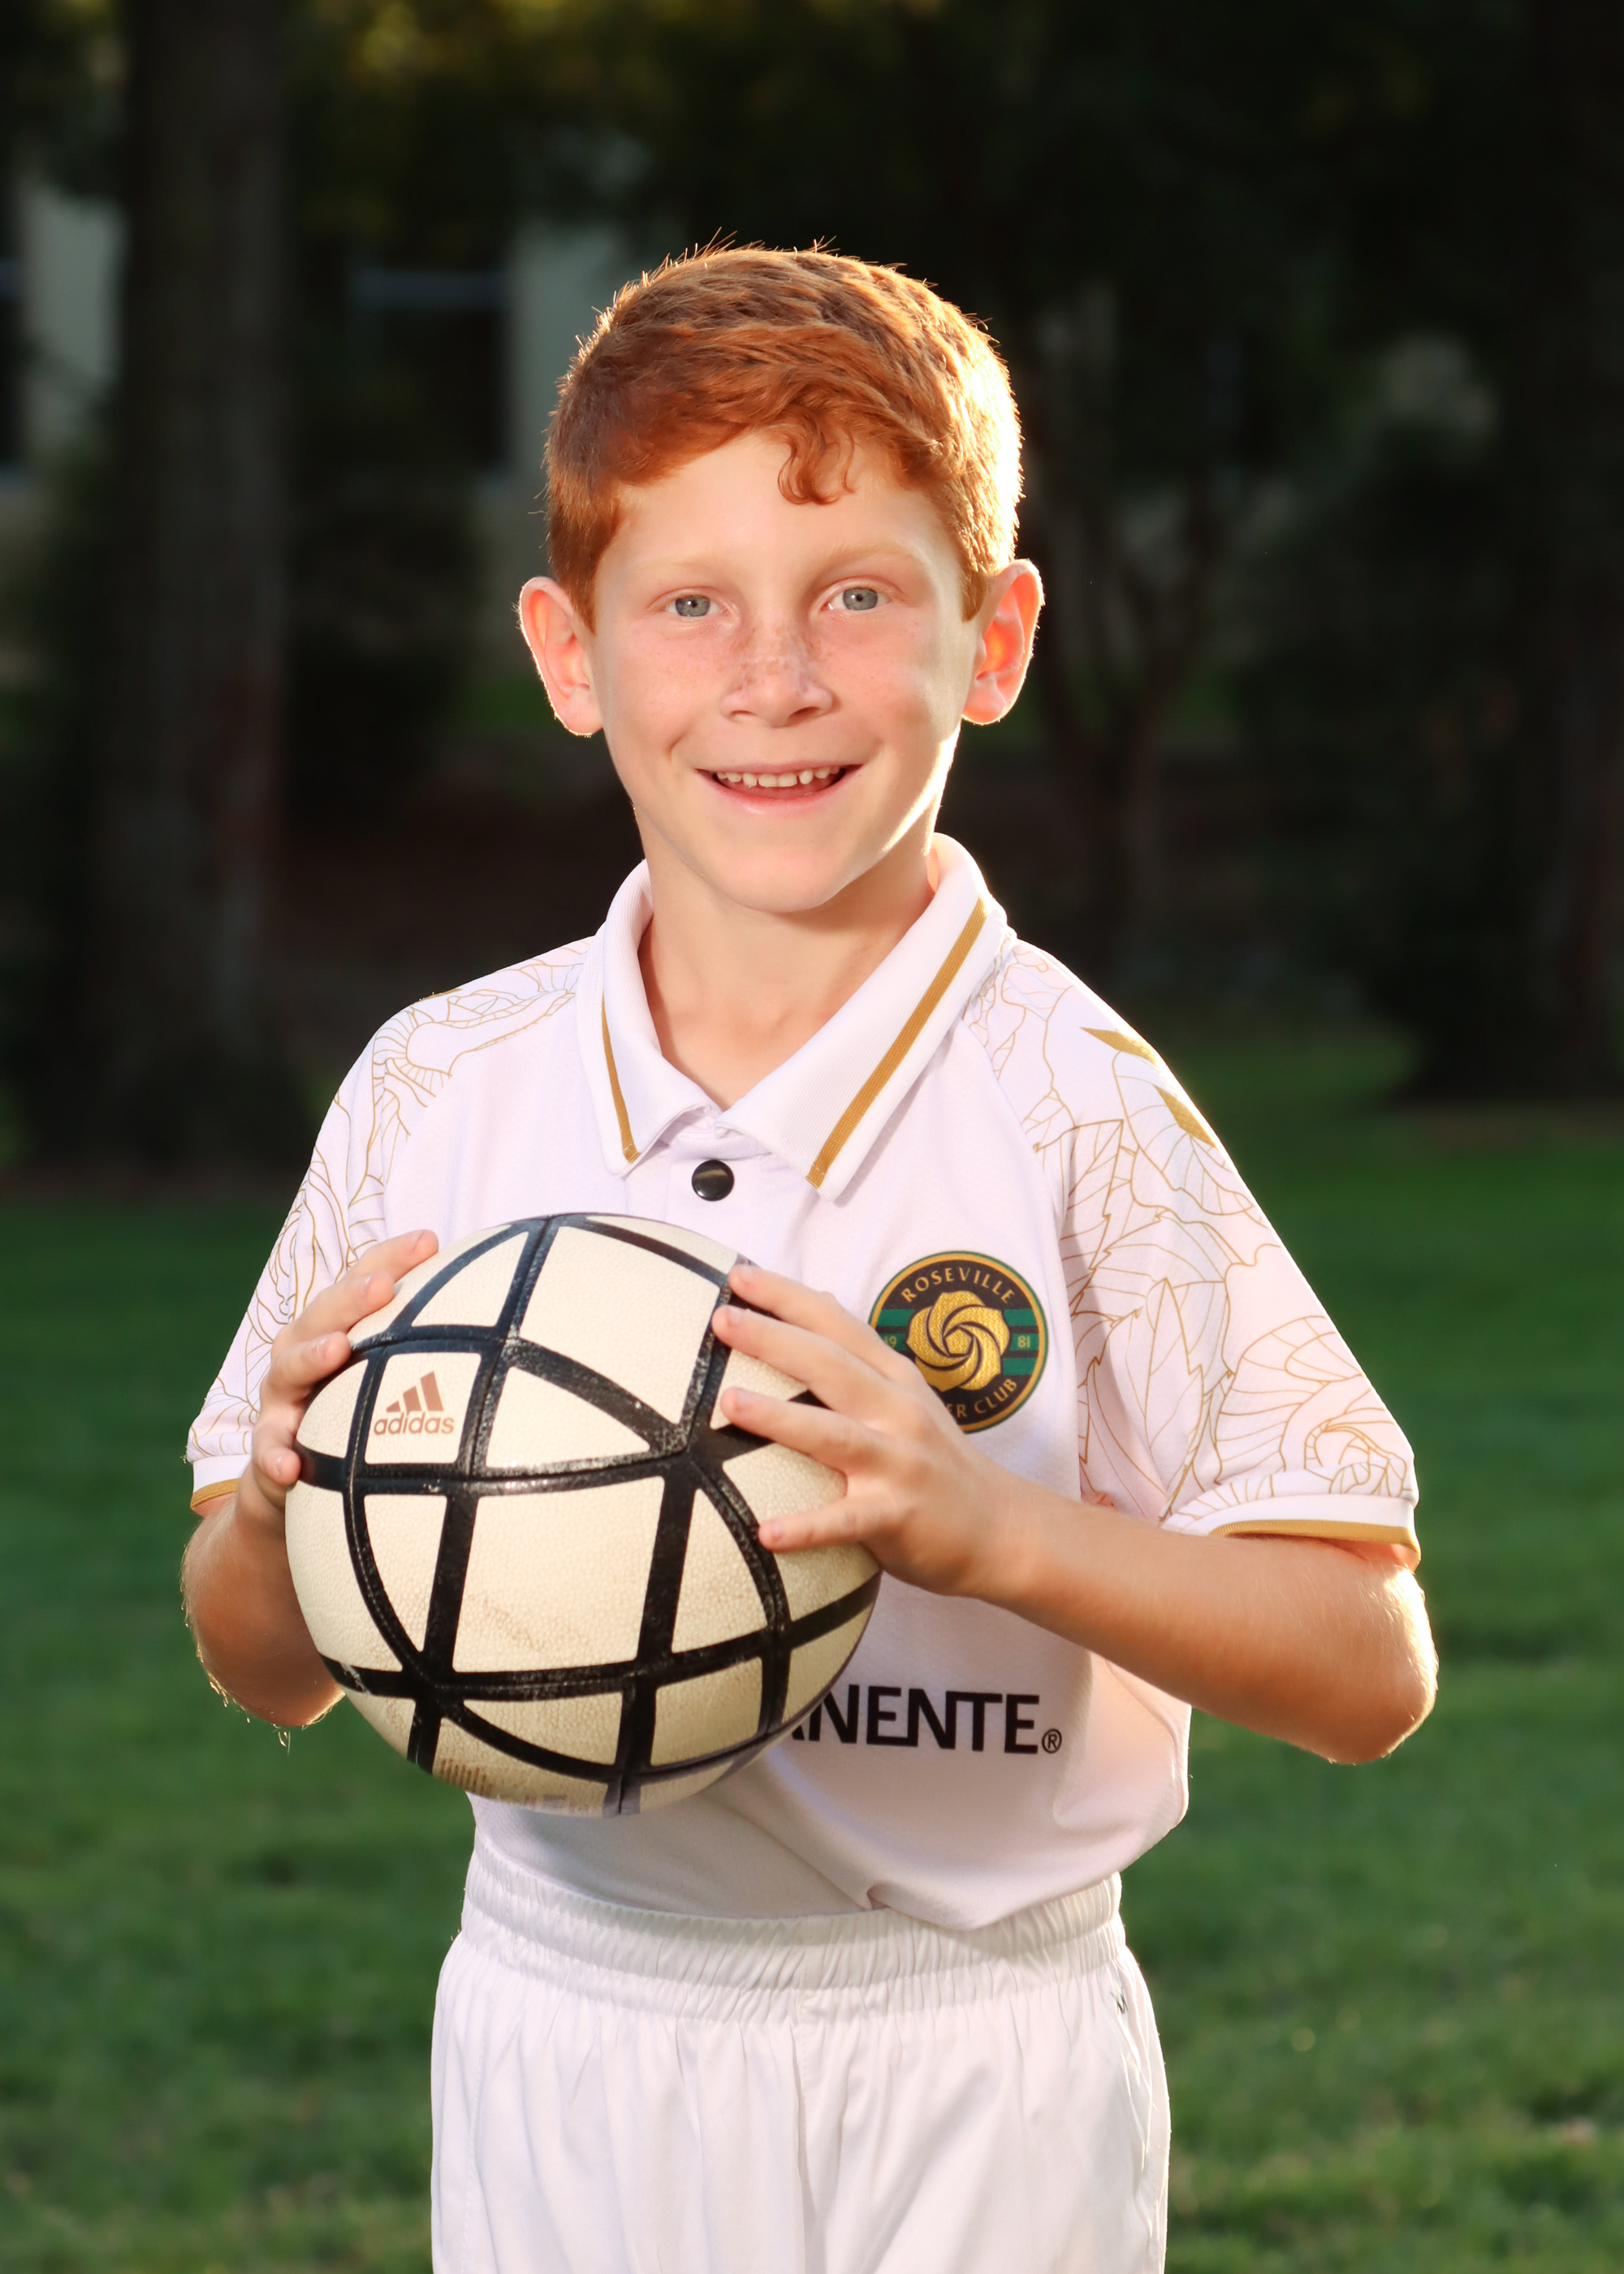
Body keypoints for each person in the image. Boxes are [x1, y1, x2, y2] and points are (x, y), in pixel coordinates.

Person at [183, 247, 1436, 2274]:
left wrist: (989, 1530)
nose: (773, 678)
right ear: (570, 653)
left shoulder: (1077, 1106)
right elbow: (262, 1659)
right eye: (690, 604)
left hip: (972, 2042)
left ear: (993, 637)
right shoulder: (440, 1088)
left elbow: (1367, 1664)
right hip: (570, 2016)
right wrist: (274, 1508)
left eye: (857, 594)